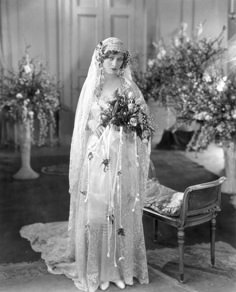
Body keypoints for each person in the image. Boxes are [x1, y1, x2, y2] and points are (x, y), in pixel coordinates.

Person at [21, 37, 151, 292]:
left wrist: (130, 126)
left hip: (122, 158)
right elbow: (84, 126)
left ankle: (119, 268)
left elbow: (143, 124)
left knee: (121, 209)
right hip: (98, 157)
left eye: (119, 59)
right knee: (98, 212)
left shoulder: (130, 88)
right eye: (109, 58)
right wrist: (102, 126)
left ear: (124, 62)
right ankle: (98, 269)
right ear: (101, 60)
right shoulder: (93, 87)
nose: (114, 63)